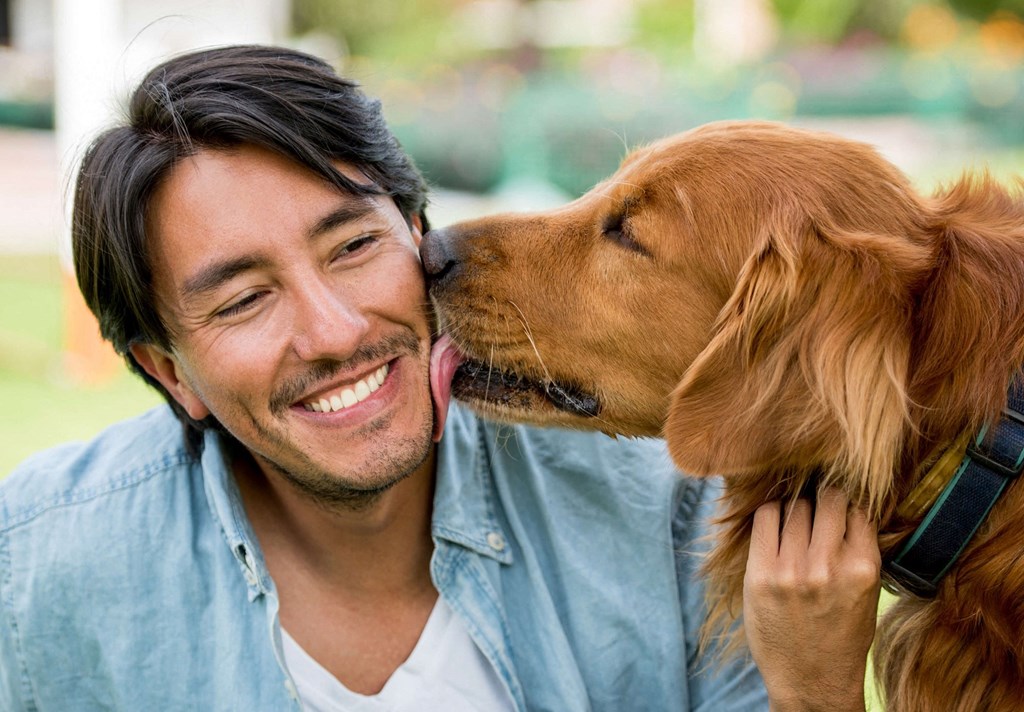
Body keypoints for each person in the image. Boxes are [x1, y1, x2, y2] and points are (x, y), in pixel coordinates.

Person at [0, 45, 880, 711]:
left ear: (417, 228)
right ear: (168, 372)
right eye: (242, 302)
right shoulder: (38, 569)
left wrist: (816, 695)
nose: (336, 332)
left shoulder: (686, 512)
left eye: (353, 248)